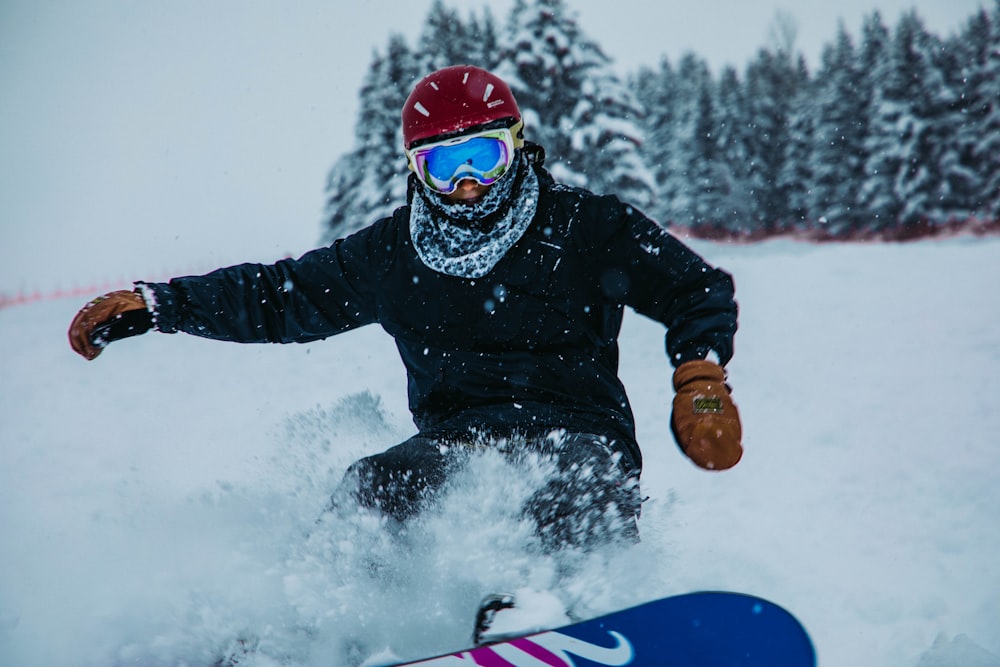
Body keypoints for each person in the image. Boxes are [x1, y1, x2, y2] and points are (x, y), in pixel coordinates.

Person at [69, 65, 743, 552]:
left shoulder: (586, 228)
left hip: (579, 435)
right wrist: (163, 305)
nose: (468, 183)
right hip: (459, 442)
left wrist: (701, 380)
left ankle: (546, 625)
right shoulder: (396, 253)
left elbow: (697, 290)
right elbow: (281, 297)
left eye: (483, 155)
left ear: (517, 146)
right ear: (415, 169)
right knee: (373, 488)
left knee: (571, 499)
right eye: (444, 166)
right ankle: (320, 638)